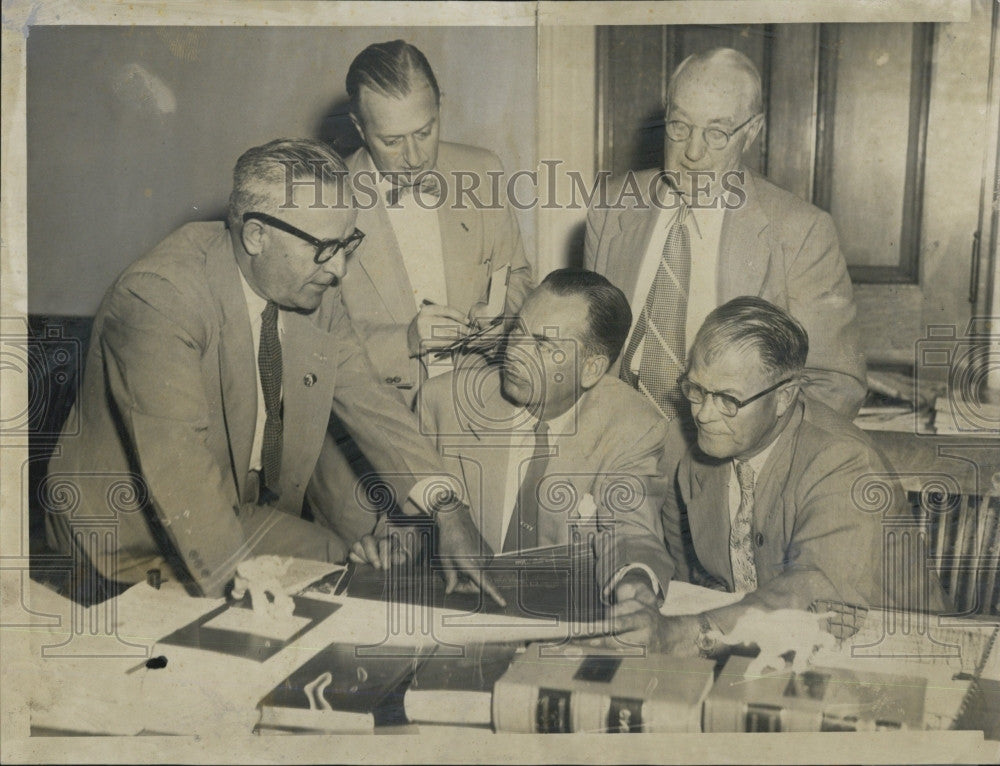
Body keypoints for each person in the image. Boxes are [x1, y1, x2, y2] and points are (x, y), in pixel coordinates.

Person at [43, 138, 502, 604]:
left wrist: (448, 509)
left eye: (348, 243)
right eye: (325, 247)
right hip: (117, 543)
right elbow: (177, 466)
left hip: (229, 509)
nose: (340, 269)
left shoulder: (312, 294)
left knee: (342, 569)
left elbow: (373, 405)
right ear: (256, 235)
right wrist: (243, 588)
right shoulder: (160, 296)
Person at [610, 297, 949, 656]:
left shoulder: (842, 461)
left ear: (785, 396)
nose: (704, 414)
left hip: (890, 654)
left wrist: (686, 634)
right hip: (771, 650)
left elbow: (814, 595)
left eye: (728, 399)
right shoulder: (700, 453)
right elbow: (681, 574)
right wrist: (642, 585)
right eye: (696, 390)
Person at [308, 38, 533, 544]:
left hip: (477, 442)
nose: (413, 157)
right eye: (391, 141)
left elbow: (519, 276)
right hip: (363, 472)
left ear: (439, 109)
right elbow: (312, 343)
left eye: (425, 131)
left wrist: (501, 318)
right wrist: (407, 339)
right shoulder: (323, 200)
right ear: (360, 129)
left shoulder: (483, 171)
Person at [352, 269, 672, 605]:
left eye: (543, 344)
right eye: (518, 329)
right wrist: (392, 547)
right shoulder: (444, 403)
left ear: (591, 368)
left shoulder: (633, 425)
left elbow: (632, 532)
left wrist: (634, 581)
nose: (516, 351)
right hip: (463, 613)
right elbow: (410, 521)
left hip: (564, 619)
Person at [585, 47, 866, 423]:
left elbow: (834, 385)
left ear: (751, 132)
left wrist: (747, 462)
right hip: (616, 444)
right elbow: (588, 347)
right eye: (679, 127)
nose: (693, 152)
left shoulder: (801, 231)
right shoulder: (611, 207)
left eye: (716, 133)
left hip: (730, 455)